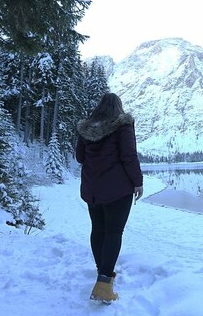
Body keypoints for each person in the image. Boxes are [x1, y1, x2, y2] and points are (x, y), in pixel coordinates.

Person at [75, 92, 143, 303]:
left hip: (92, 190)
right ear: (118, 108)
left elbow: (80, 157)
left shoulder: (86, 129)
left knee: (98, 230)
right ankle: (104, 284)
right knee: (114, 232)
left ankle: (103, 274)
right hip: (117, 190)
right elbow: (129, 156)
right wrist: (138, 182)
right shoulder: (123, 126)